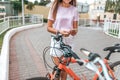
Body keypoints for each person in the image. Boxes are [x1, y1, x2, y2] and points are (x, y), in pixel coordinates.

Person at [47, 0, 79, 80]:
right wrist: (59, 31)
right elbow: (48, 27)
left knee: (64, 69)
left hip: (69, 42)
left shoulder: (74, 10)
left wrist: (72, 31)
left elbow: (75, 30)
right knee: (59, 68)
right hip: (57, 40)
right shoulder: (54, 8)